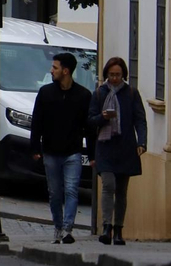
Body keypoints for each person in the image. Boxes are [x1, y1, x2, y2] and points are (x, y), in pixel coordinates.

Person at [28, 51, 91, 244]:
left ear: (66, 71)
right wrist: (35, 148)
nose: (51, 70)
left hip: (72, 151)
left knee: (71, 189)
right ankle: (57, 225)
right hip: (50, 151)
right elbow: (37, 121)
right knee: (55, 193)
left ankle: (67, 228)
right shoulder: (46, 93)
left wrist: (91, 152)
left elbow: (87, 126)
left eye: (55, 67)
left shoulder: (83, 95)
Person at [89, 56, 147, 245]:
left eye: (118, 75)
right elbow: (90, 120)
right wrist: (102, 117)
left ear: (124, 76)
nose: (114, 78)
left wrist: (142, 142)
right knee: (108, 185)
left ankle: (119, 230)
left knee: (121, 190)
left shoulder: (131, 94)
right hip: (105, 146)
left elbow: (140, 119)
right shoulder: (99, 93)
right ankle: (106, 226)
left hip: (125, 146)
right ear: (106, 74)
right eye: (112, 75)